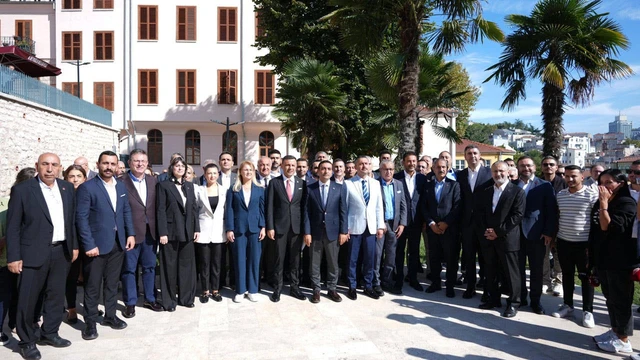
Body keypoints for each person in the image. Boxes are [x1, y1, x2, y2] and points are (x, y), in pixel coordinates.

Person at [6, 154, 78, 359]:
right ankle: (27, 341)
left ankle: (50, 333)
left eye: (54, 165)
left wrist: (73, 246)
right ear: (37, 166)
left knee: (55, 296)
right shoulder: (23, 190)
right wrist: (14, 257)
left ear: (60, 168)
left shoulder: (66, 189)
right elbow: (13, 227)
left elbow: (70, 220)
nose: (49, 169)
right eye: (45, 164)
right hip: (32, 254)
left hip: (60, 251)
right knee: (27, 300)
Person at [76, 151, 135, 341]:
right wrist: (88, 244)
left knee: (112, 283)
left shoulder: (121, 186)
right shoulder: (87, 188)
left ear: (117, 166)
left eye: (112, 164)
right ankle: (90, 323)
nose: (109, 167)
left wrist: (130, 233)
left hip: (118, 243)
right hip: (96, 246)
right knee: (93, 286)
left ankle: (110, 316)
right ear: (98, 164)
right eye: (105, 163)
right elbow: (81, 219)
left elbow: (126, 211)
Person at [589, 169, 637, 354]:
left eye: (609, 182)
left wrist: (603, 204)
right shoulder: (603, 202)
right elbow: (595, 230)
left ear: (621, 183)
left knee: (621, 300)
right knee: (610, 299)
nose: (604, 187)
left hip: (620, 260)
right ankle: (616, 331)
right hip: (603, 259)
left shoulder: (626, 203)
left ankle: (624, 340)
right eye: (601, 182)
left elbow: (606, 226)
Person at [475, 161, 525, 318]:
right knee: (490, 271)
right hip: (489, 238)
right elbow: (480, 213)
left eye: (501, 171)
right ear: (491, 173)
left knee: (511, 274)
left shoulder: (517, 192)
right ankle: (493, 299)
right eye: (495, 171)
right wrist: (488, 232)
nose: (498, 174)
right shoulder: (486, 191)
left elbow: (517, 216)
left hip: (507, 239)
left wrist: (498, 232)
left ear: (508, 171)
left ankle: (514, 303)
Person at [551, 165, 598, 328]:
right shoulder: (561, 195)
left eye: (574, 176)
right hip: (564, 242)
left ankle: (587, 311)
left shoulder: (592, 195)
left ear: (582, 177)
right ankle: (568, 305)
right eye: (567, 176)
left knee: (586, 278)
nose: (570, 179)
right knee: (567, 275)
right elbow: (558, 217)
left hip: (584, 244)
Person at [120, 149, 163, 318]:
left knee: (150, 267)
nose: (140, 164)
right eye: (136, 161)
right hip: (130, 234)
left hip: (150, 233)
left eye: (143, 161)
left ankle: (150, 298)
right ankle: (130, 302)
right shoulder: (120, 182)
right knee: (129, 270)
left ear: (147, 164)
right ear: (130, 163)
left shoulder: (154, 181)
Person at [156, 157, 200, 311]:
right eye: (177, 166)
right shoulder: (163, 185)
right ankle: (169, 301)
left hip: (187, 231)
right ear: (171, 168)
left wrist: (196, 229)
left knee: (186, 266)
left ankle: (186, 298)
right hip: (170, 232)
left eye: (183, 166)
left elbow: (193, 208)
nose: (180, 168)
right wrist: (162, 232)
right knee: (169, 267)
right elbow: (160, 210)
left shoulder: (190, 186)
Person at [515, 156, 557, 315]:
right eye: (522, 166)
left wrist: (548, 232)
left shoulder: (545, 186)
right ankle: (520, 298)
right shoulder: (513, 185)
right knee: (517, 269)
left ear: (534, 167)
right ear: (518, 168)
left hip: (537, 234)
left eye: (529, 165)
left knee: (536, 270)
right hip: (516, 234)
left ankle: (535, 301)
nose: (526, 169)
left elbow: (551, 211)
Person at [304, 160, 348, 303]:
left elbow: (343, 212)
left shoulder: (339, 188)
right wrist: (307, 232)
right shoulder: (310, 188)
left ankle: (332, 288)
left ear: (332, 171)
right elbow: (306, 213)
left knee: (333, 262)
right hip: (315, 232)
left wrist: (343, 231)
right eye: (323, 168)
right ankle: (316, 289)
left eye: (329, 168)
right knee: (314, 263)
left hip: (333, 232)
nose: (326, 171)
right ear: (318, 170)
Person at [266, 155, 307, 302]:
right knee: (279, 259)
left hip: (296, 228)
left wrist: (305, 229)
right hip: (279, 228)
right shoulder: (274, 183)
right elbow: (269, 207)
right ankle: (277, 288)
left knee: (295, 260)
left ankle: (294, 288)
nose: (290, 168)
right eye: (287, 165)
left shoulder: (301, 183)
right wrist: (270, 226)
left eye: (293, 165)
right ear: (282, 166)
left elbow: (304, 208)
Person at [344, 155, 385, 300]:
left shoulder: (375, 184)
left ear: (371, 166)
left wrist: (380, 226)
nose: (364, 166)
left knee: (370, 258)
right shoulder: (348, 184)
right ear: (355, 167)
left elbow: (379, 207)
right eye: (361, 164)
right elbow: (345, 208)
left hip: (371, 228)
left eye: (367, 164)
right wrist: (345, 228)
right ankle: (352, 286)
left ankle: (368, 285)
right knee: (352, 259)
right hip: (354, 227)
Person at [225, 161, 266, 303]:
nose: (248, 172)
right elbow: (229, 209)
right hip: (239, 229)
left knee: (254, 260)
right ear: (240, 172)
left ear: (254, 172)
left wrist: (263, 227)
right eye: (245, 170)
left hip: (255, 229)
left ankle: (253, 290)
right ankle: (241, 290)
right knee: (239, 259)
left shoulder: (260, 189)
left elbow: (262, 210)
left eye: (250, 170)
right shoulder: (233, 189)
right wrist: (229, 228)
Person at [457, 144, 492, 299]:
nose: (472, 156)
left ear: (480, 155)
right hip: (467, 223)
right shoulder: (460, 175)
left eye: (475, 153)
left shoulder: (490, 174)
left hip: (484, 223)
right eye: (469, 153)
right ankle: (470, 287)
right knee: (469, 256)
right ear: (465, 157)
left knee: (486, 258)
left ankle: (486, 288)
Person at [422, 159, 461, 298]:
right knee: (434, 257)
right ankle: (435, 283)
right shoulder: (427, 186)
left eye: (444, 167)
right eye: (438, 167)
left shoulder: (454, 185)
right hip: (432, 229)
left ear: (448, 168)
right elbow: (424, 207)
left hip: (449, 229)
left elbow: (457, 207)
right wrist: (431, 223)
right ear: (433, 168)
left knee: (451, 258)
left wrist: (446, 223)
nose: (441, 169)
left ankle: (450, 286)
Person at [393, 151, 427, 293]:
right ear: (403, 162)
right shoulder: (396, 178)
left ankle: (413, 279)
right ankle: (398, 280)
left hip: (416, 221)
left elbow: (425, 201)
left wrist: (425, 220)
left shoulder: (422, 179)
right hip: (400, 222)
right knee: (399, 251)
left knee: (414, 252)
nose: (412, 164)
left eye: (414, 161)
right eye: (409, 161)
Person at [195, 163, 227, 303]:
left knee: (217, 263)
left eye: (214, 173)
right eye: (209, 173)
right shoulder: (199, 190)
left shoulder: (224, 190)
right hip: (203, 231)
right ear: (205, 175)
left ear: (218, 175)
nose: (212, 176)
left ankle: (215, 290)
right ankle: (205, 291)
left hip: (219, 232)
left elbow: (227, 211)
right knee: (204, 263)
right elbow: (195, 211)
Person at [375, 160, 406, 295]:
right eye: (385, 169)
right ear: (380, 170)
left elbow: (403, 206)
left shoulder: (399, 184)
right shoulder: (375, 184)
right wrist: (380, 224)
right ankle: (375, 283)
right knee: (377, 255)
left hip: (394, 225)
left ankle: (386, 282)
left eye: (391, 169)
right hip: (380, 225)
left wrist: (402, 224)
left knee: (391, 256)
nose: (388, 172)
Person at [62, 165, 86, 324]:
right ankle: (71, 308)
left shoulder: (88, 194)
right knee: (71, 277)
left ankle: (90, 305)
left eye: (79, 176)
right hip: (71, 242)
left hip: (88, 242)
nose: (75, 179)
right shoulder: (63, 196)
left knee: (91, 277)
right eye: (71, 176)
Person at [540, 156, 566, 297]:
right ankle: (545, 282)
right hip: (541, 226)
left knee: (558, 257)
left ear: (556, 167)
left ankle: (558, 282)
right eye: (545, 164)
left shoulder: (563, 183)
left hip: (560, 226)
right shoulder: (537, 182)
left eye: (551, 164)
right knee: (543, 256)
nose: (548, 167)